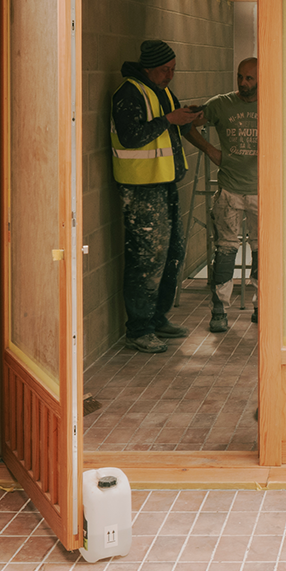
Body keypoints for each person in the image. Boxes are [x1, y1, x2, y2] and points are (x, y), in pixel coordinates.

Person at [110, 39, 202, 353]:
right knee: (146, 259)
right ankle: (139, 329)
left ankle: (157, 318)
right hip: (140, 188)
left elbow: (172, 126)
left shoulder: (160, 91)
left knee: (171, 253)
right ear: (149, 67)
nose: (170, 75)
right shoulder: (129, 93)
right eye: (166, 70)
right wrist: (168, 120)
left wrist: (186, 118)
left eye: (173, 69)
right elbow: (130, 136)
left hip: (165, 182)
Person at [185, 57, 258, 333]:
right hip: (230, 189)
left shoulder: (272, 102)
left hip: (261, 190)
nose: (243, 83)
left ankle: (261, 306)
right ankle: (219, 310)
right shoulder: (221, 104)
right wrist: (210, 150)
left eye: (250, 78)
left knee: (261, 252)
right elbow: (187, 123)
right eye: (240, 77)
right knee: (225, 250)